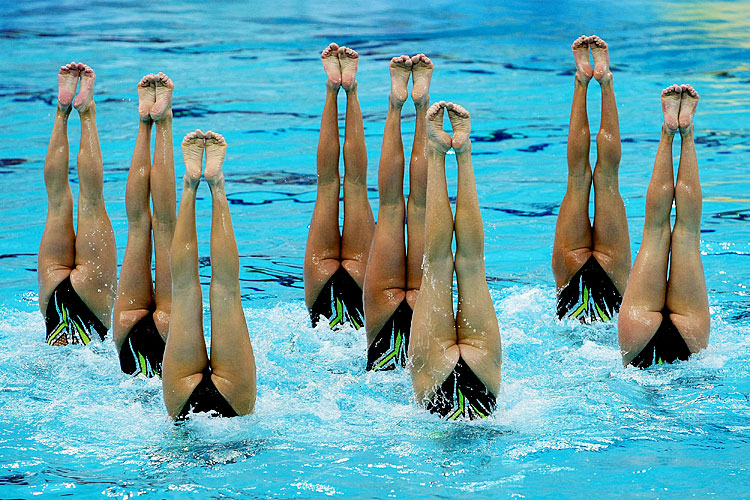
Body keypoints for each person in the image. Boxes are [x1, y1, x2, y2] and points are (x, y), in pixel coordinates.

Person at [409, 101, 502, 420]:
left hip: (472, 377)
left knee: (459, 263)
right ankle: (450, 151)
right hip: (446, 379)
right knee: (460, 262)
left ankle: (455, 153)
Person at [162, 130, 256, 419]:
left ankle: (193, 185)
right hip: (206, 400)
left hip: (194, 401)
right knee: (220, 290)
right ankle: (211, 185)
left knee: (187, 290)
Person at [618, 85, 709, 367]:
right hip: (682, 340)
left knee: (672, 231)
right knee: (679, 232)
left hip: (648, 332)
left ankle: (674, 131)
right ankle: (681, 132)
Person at [552, 35, 630, 322]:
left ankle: (584, 80)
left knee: (579, 176)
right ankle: (603, 80)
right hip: (609, 282)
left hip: (582, 273)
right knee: (604, 177)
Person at [363, 54, 433, 371]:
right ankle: (420, 106)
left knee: (395, 206)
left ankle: (398, 103)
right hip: (425, 321)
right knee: (415, 205)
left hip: (384, 321)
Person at [39, 62, 117, 346]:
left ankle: (68, 111)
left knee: (70, 200)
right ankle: (78, 112)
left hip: (76, 312)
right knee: (76, 200)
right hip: (56, 296)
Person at [304, 44, 375, 330]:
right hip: (344, 281)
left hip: (334, 285)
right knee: (347, 185)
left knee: (333, 185)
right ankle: (346, 89)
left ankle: (336, 88)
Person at [113, 73, 176, 378]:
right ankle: (150, 122)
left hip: (169, 332)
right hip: (127, 331)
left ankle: (157, 123)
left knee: (157, 225)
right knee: (142, 223)